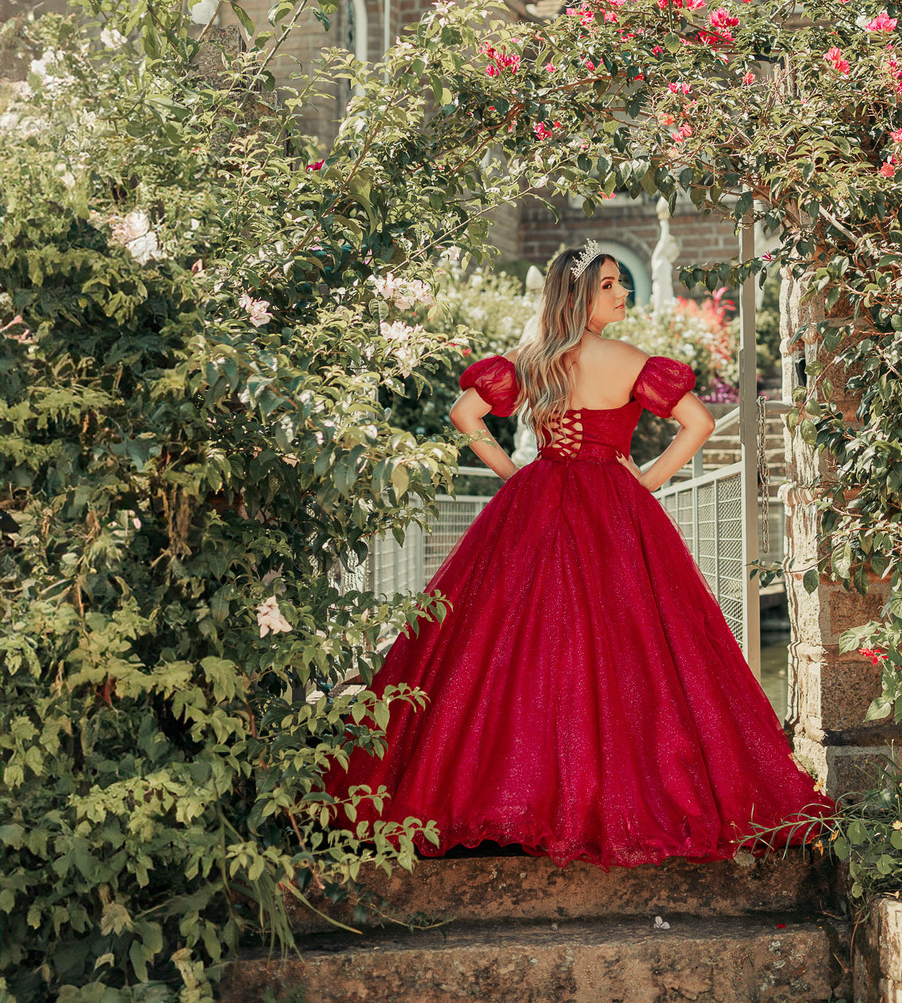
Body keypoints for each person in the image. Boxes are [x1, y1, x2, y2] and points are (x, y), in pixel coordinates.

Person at [323, 242, 833, 867]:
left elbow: (464, 414)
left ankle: (506, 790)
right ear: (579, 295)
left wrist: (513, 471)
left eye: (622, 283)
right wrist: (647, 480)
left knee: (509, 644)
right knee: (632, 643)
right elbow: (697, 424)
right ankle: (604, 793)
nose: (624, 295)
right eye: (611, 285)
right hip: (614, 508)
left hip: (536, 497)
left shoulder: (532, 361)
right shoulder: (627, 360)